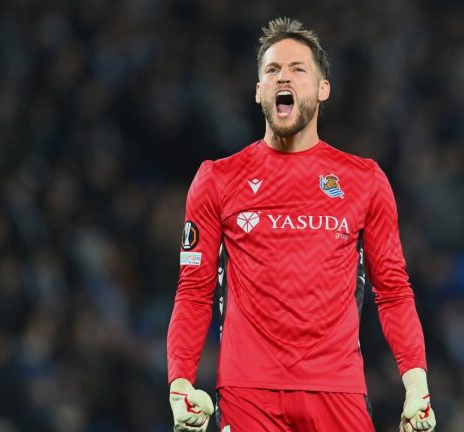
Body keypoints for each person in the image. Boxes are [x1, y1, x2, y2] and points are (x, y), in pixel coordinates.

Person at [167, 17, 436, 432]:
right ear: (258, 91)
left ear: (322, 88)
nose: (282, 78)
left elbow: (394, 291)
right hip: (248, 394)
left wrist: (416, 381)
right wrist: (180, 383)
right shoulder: (217, 178)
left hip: (337, 390)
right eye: (272, 70)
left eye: (297, 69)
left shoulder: (364, 180)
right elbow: (193, 292)